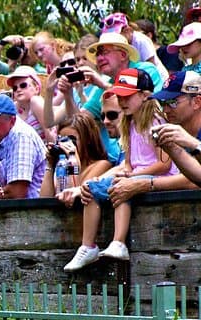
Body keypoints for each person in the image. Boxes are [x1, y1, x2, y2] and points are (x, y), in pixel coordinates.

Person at [64, 70, 173, 272]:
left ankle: (119, 241)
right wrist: (127, 172)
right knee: (91, 188)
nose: (122, 101)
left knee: (122, 185)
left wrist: (131, 176)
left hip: (158, 176)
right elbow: (129, 163)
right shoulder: (128, 122)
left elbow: (164, 164)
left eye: (127, 96)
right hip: (136, 175)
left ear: (145, 95)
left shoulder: (156, 120)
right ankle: (88, 246)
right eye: (120, 96)